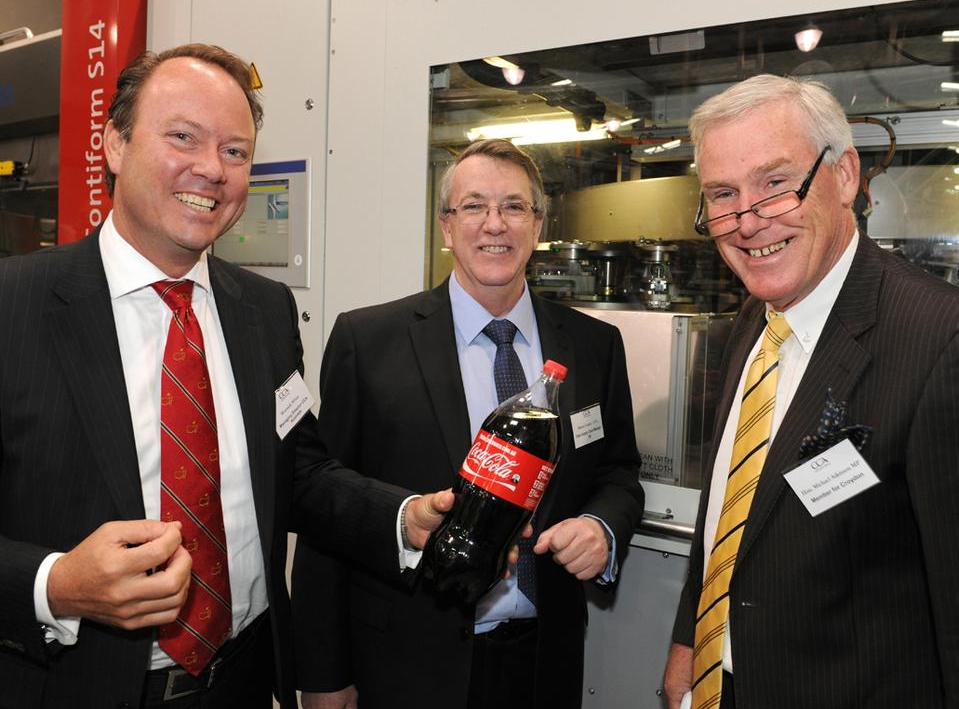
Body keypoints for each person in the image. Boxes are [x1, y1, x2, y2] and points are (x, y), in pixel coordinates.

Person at [0, 43, 453, 709]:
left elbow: (296, 471)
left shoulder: (264, 311)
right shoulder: (15, 306)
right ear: (115, 145)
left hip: (241, 682)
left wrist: (402, 517)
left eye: (236, 152)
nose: (211, 169)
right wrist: (54, 584)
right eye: (183, 137)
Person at [662, 74, 959, 709]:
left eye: (776, 184)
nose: (748, 222)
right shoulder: (755, 317)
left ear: (846, 176)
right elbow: (732, 512)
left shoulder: (953, 349)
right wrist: (693, 638)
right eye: (723, 194)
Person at [290, 138, 645, 709]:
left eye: (514, 207)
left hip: (544, 660)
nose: (494, 225)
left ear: (538, 225)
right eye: (474, 206)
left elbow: (619, 471)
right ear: (446, 227)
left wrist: (603, 527)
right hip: (408, 663)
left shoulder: (594, 345)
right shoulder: (369, 340)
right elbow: (328, 506)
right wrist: (324, 676)